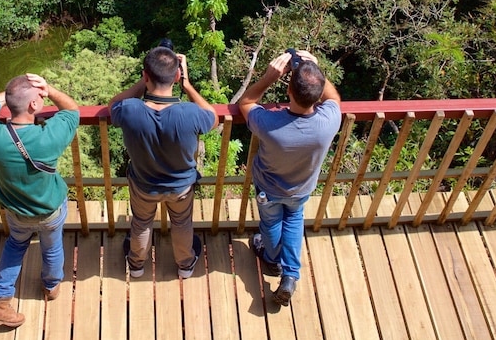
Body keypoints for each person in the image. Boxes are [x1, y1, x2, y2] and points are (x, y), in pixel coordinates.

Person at [0, 73, 79, 328]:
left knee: (15, 246)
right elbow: (72, 110)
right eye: (39, 98)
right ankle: (51, 287)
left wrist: (9, 95)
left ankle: (0, 301)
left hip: (16, 212)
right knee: (51, 248)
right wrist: (49, 89)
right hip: (49, 210)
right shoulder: (48, 136)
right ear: (34, 106)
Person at [237, 49, 342, 306]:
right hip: (300, 189)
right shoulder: (329, 120)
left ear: (289, 92)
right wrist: (315, 70)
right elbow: (334, 99)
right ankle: (290, 274)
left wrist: (268, 78)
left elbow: (245, 103)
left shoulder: (269, 122)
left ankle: (271, 260)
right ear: (318, 96)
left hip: (268, 189)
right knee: (294, 220)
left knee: (271, 223)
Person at [109, 45, 217, 279]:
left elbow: (113, 105)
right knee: (182, 223)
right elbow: (213, 116)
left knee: (141, 223)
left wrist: (143, 81)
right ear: (177, 75)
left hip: (143, 184)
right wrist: (187, 86)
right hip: (181, 187)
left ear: (145, 75)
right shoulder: (190, 113)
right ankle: (185, 265)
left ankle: (136, 265)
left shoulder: (130, 110)